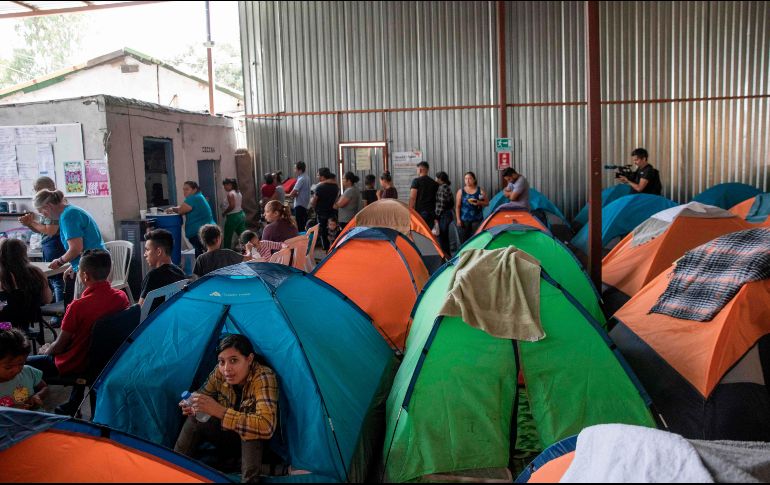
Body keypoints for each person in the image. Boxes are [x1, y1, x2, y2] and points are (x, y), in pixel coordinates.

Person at [27, 249, 129, 415]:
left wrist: (47, 349)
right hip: (104, 358)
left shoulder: (78, 307)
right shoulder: (120, 297)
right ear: (108, 271)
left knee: (25, 363)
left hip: (76, 362)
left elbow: (59, 347)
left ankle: (25, 409)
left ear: (85, 276)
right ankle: (73, 404)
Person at [174, 334, 278, 483]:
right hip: (227, 439)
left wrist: (219, 411)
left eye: (234, 360)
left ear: (249, 359)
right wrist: (192, 405)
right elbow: (201, 396)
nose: (226, 368)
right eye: (221, 362)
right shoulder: (220, 372)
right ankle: (173, 468)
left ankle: (250, 479)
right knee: (196, 417)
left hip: (255, 445)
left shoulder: (263, 377)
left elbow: (266, 426)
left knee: (250, 429)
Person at [34, 189, 105, 305]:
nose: (45, 216)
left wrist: (60, 261)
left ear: (48, 206)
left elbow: (76, 248)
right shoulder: (71, 211)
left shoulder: (68, 216)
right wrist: (74, 265)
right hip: (96, 262)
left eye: (43, 212)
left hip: (92, 266)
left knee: (84, 307)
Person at [18, 177, 65, 320]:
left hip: (56, 246)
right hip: (48, 246)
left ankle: (59, 315)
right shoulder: (47, 206)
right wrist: (29, 224)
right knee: (53, 281)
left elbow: (50, 230)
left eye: (36, 189)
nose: (35, 193)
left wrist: (31, 222)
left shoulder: (53, 205)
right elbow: (43, 230)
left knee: (57, 281)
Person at [0, 239, 53, 333]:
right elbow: (47, 299)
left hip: (4, 326)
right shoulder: (37, 273)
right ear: (23, 253)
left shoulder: (2, 276)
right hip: (26, 322)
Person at [138, 229, 187, 314]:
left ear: (159, 252)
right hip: (171, 321)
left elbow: (139, 310)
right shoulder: (180, 273)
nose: (144, 254)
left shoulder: (152, 277)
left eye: (147, 250)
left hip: (152, 324)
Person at [0, 326, 48, 409]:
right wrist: (14, 410)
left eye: (21, 364)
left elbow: (44, 387)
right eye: (8, 367)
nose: (17, 370)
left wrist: (38, 396)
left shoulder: (28, 371)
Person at [166, 181, 215, 258]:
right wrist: (173, 208)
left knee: (202, 257)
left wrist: (173, 209)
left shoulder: (193, 198)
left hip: (199, 233)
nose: (184, 192)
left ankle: (205, 269)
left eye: (187, 189)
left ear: (194, 190)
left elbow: (181, 210)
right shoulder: (199, 196)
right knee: (206, 254)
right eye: (183, 189)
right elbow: (183, 207)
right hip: (206, 230)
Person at [311, 168, 339, 252]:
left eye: (318, 175)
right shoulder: (335, 186)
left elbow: (314, 201)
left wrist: (313, 206)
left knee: (323, 232)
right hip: (332, 212)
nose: (317, 176)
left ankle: (326, 249)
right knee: (332, 231)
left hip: (321, 213)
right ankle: (333, 248)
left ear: (323, 177)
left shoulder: (320, 186)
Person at [455, 172, 489, 242]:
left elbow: (487, 203)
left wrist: (479, 202)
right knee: (464, 240)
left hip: (477, 219)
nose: (467, 180)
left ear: (474, 179)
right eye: (466, 179)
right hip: (464, 220)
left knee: (477, 239)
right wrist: (458, 219)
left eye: (469, 178)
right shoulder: (461, 191)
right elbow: (457, 206)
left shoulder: (480, 191)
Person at [410, 161, 439, 227]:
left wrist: (411, 211)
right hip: (432, 212)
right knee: (429, 232)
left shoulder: (416, 181)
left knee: (421, 233)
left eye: (417, 169)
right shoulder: (434, 183)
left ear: (420, 170)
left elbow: (412, 197)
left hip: (421, 212)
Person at [221, 179, 246, 251]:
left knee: (228, 236)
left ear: (230, 185)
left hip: (233, 217)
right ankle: (249, 250)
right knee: (243, 235)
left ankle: (227, 253)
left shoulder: (230, 194)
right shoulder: (238, 192)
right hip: (241, 214)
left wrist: (224, 212)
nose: (224, 187)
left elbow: (232, 206)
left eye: (225, 185)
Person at [434, 172, 454, 256]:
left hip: (443, 215)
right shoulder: (446, 187)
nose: (435, 179)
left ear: (440, 179)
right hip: (448, 214)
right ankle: (446, 254)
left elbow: (441, 204)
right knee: (445, 236)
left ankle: (444, 255)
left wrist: (437, 216)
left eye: (436, 178)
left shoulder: (442, 188)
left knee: (442, 236)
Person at [288, 161, 311, 233]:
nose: (294, 171)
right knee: (302, 225)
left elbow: (292, 193)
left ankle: (302, 243)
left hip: (300, 205)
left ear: (300, 170)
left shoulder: (301, 179)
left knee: (300, 226)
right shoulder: (306, 177)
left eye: (295, 169)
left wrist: (283, 195)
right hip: (304, 204)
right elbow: (298, 192)